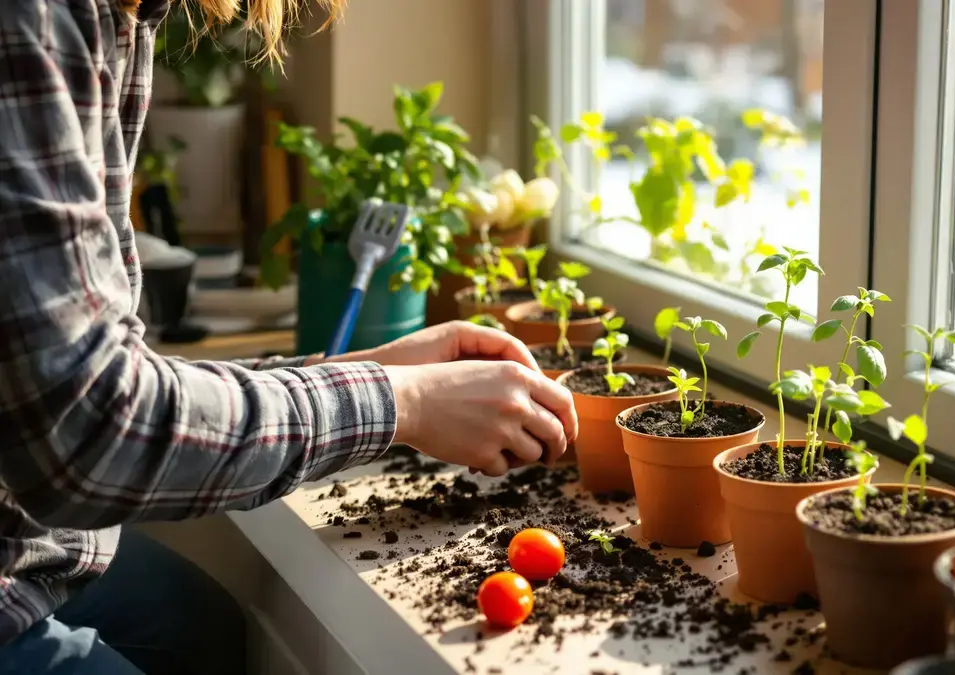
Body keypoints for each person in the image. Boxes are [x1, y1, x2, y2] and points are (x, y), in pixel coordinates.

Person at [0, 1, 577, 673]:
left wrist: (368, 367)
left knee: (200, 630)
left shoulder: (113, 18)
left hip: (31, 528)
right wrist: (401, 401)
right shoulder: (29, 20)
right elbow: (93, 432)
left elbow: (87, 371)